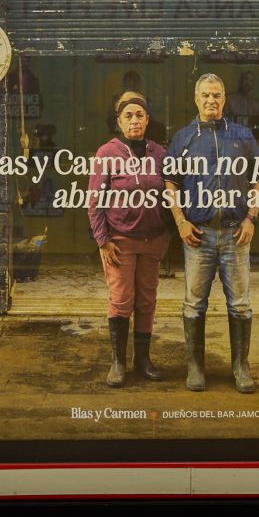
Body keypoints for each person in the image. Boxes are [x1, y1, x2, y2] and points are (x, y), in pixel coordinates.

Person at [164, 73, 259, 393]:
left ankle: (241, 366)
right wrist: (180, 221)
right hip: (199, 236)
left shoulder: (243, 135)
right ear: (196, 99)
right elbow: (170, 183)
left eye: (217, 95)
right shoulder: (183, 138)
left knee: (240, 305)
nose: (211, 100)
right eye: (206, 95)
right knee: (194, 304)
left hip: (236, 234)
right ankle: (195, 367)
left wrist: (251, 218)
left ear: (225, 100)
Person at [86, 92, 170, 386]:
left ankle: (143, 361)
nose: (134, 120)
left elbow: (172, 195)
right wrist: (102, 240)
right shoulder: (106, 153)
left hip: (153, 242)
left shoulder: (159, 153)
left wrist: (166, 234)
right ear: (119, 121)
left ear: (148, 119)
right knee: (122, 300)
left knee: (146, 301)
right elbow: (94, 202)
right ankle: (118, 362)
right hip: (119, 241)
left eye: (140, 115)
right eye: (128, 116)